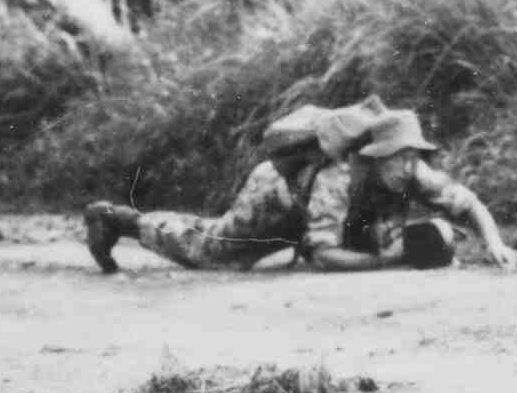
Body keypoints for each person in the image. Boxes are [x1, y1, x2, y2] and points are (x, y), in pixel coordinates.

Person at [81, 102, 378, 272]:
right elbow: (326, 250)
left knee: (212, 235)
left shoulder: (393, 157)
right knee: (210, 248)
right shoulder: (337, 174)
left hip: (291, 187)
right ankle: (117, 219)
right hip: (273, 189)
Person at [300, 109, 517, 271]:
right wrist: (383, 262)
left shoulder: (415, 169)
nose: (406, 169)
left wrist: (496, 244)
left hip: (356, 227)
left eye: (412, 157)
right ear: (376, 158)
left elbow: (470, 204)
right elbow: (322, 255)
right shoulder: (337, 179)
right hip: (284, 205)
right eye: (398, 159)